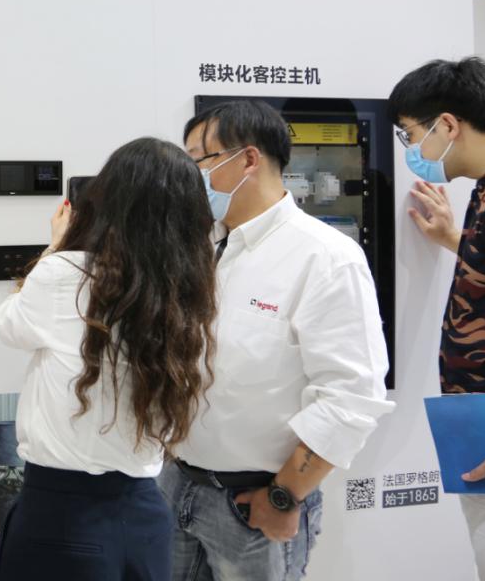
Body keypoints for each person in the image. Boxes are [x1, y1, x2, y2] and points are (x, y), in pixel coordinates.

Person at [159, 99, 395, 581]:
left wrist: (285, 495)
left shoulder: (325, 257)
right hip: (176, 485)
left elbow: (351, 396)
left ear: (248, 158)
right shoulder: (201, 245)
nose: (192, 176)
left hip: (253, 503)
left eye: (201, 161)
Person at [0, 137, 219, 581]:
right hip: (146, 519)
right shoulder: (186, 293)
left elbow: (8, 325)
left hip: (62, 516)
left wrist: (55, 248)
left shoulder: (66, 275)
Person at [388, 56, 485, 581]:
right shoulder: (482, 190)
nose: (412, 150)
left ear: (447, 125)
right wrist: (456, 240)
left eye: (410, 134)